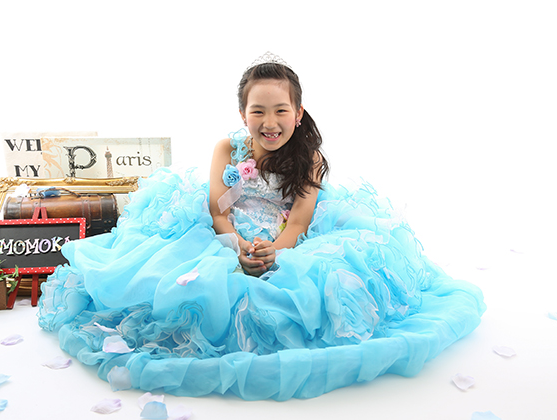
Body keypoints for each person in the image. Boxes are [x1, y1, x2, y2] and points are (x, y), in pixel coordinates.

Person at [38, 52, 485, 401]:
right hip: (228, 230)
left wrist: (277, 252)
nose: (269, 123)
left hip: (287, 233)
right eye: (258, 111)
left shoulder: (308, 159)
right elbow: (217, 210)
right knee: (185, 279)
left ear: (299, 112)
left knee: (312, 284)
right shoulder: (226, 149)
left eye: (280, 111)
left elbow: (301, 220)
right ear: (242, 114)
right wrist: (234, 246)